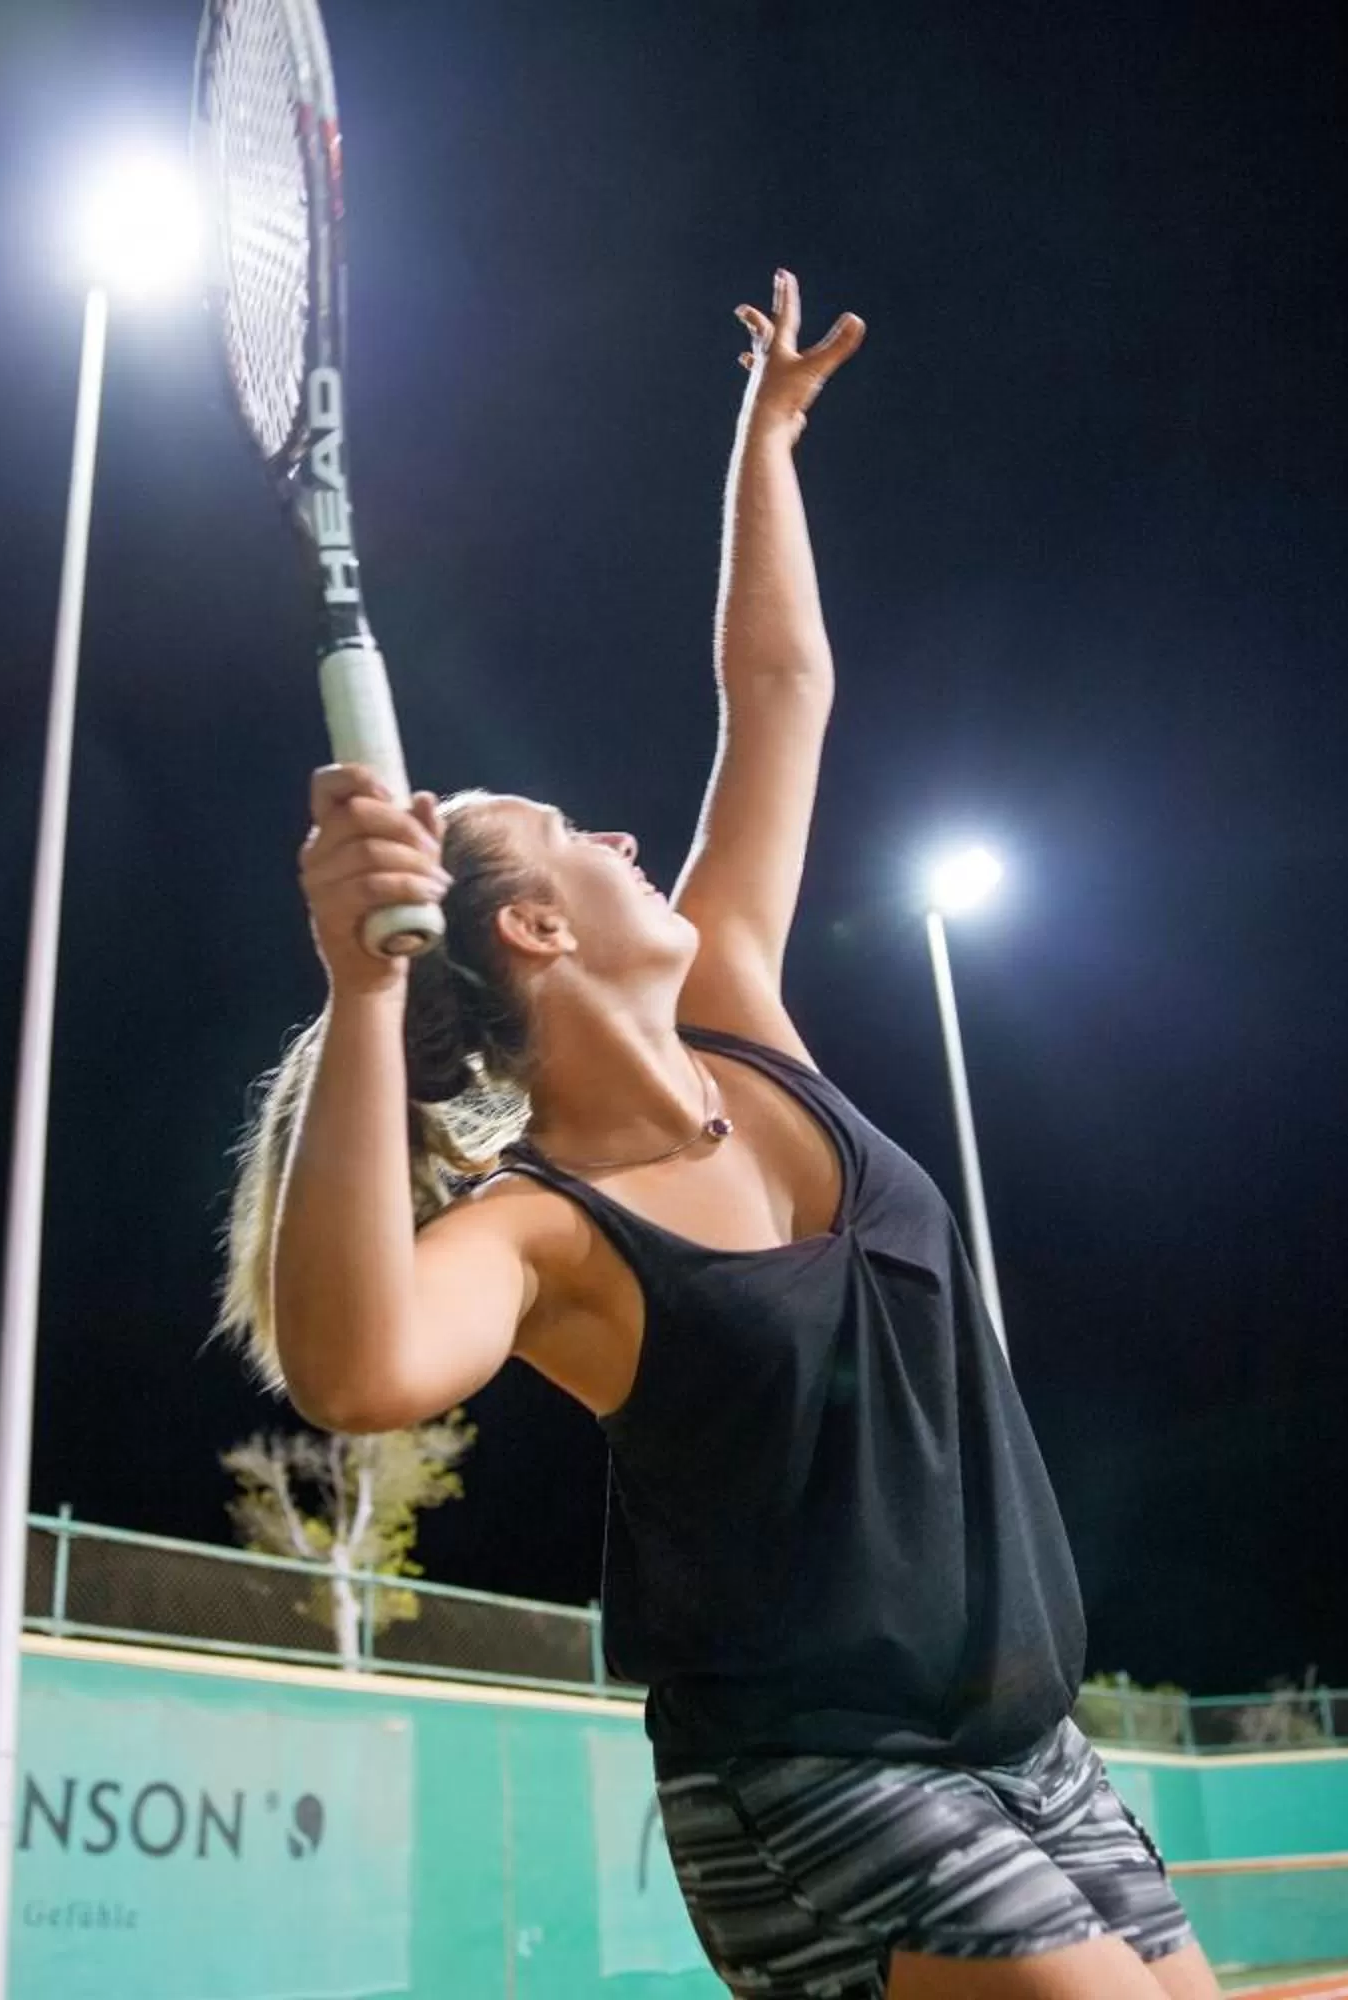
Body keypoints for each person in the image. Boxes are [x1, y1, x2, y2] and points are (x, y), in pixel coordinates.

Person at [220, 270, 1215, 2000]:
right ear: (534, 930)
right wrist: (360, 991)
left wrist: (767, 440)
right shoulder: (546, 1233)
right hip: (815, 1772)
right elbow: (357, 1369)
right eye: (570, 835)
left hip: (1028, 1735)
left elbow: (780, 689)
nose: (618, 831)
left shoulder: (743, 1019)